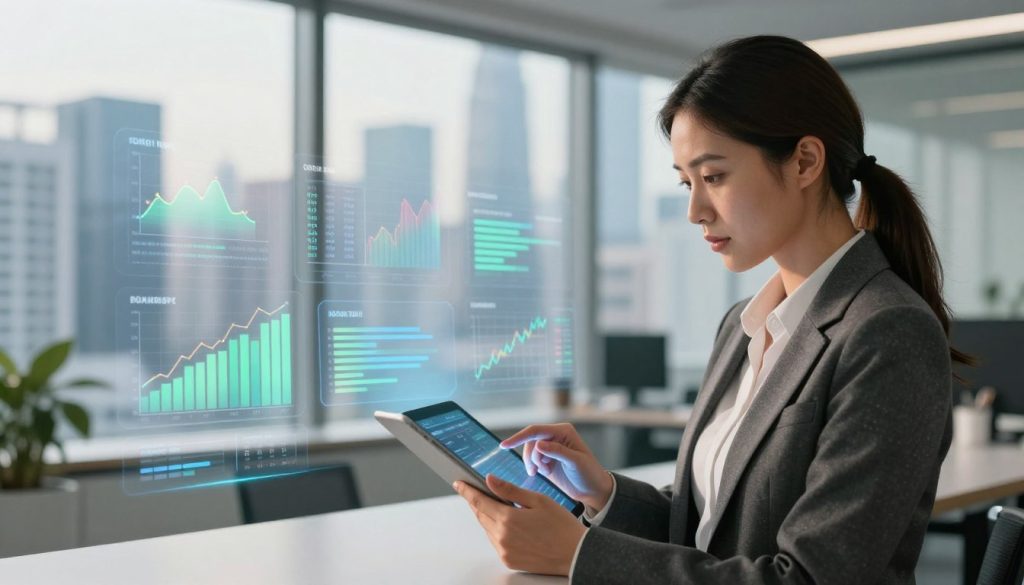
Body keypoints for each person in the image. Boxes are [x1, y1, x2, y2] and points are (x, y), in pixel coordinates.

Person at [454, 35, 967, 584]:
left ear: (805, 161)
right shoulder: (742, 325)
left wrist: (580, 556)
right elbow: (709, 529)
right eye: (685, 182)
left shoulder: (887, 331)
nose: (696, 210)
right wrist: (603, 492)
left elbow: (812, 577)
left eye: (714, 177)